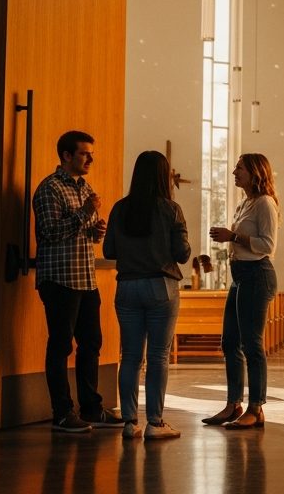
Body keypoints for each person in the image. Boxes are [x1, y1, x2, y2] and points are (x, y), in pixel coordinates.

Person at [32, 130, 123, 433]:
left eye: (91, 153)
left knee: (91, 344)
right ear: (67, 156)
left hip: (85, 278)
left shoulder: (85, 188)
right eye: (84, 153)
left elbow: (80, 233)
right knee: (60, 346)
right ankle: (61, 413)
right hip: (60, 279)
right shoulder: (50, 189)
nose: (90, 159)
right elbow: (50, 233)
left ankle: (92, 409)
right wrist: (85, 213)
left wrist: (94, 232)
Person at [103, 150, 192, 440]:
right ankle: (155, 423)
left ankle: (130, 422)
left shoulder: (120, 208)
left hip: (127, 286)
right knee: (157, 357)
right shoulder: (171, 209)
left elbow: (109, 251)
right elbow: (182, 253)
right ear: (163, 177)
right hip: (160, 286)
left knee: (129, 356)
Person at [202, 153, 281, 430]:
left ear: (256, 172)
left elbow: (267, 245)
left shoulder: (265, 203)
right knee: (229, 342)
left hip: (257, 275)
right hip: (240, 276)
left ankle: (256, 407)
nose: (234, 171)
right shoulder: (244, 203)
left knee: (252, 344)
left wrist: (233, 236)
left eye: (240, 168)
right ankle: (233, 403)